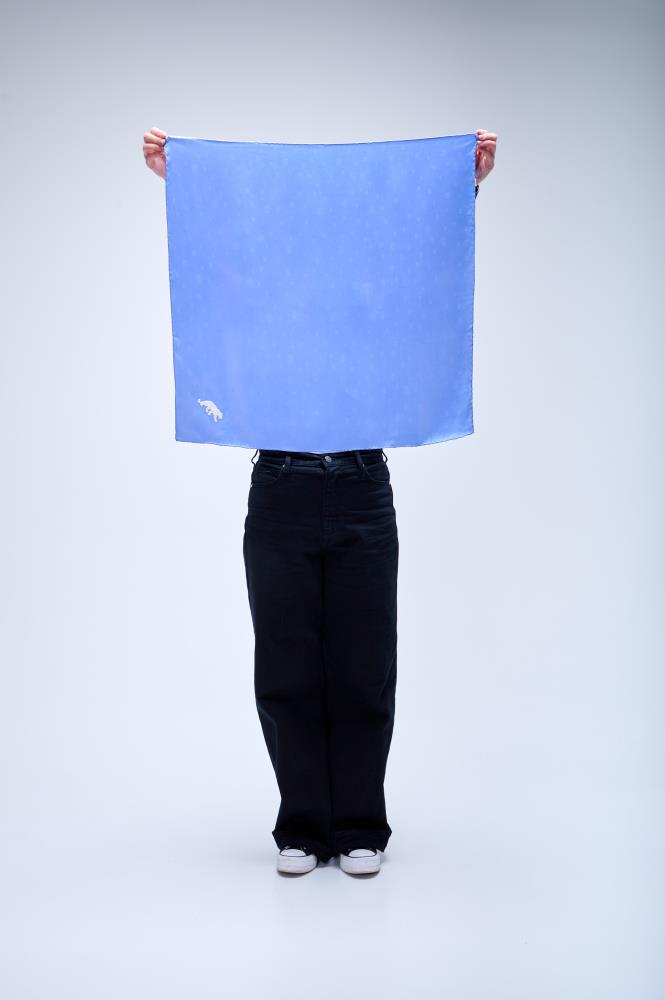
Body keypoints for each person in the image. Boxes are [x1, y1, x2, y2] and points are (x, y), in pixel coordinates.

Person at [143, 126, 497, 876]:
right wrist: (184, 184)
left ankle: (362, 826)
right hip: (278, 487)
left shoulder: (365, 304)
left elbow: (413, 265)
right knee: (287, 664)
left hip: (363, 486)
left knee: (363, 665)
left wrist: (460, 185)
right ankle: (302, 826)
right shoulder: (268, 306)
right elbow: (223, 267)